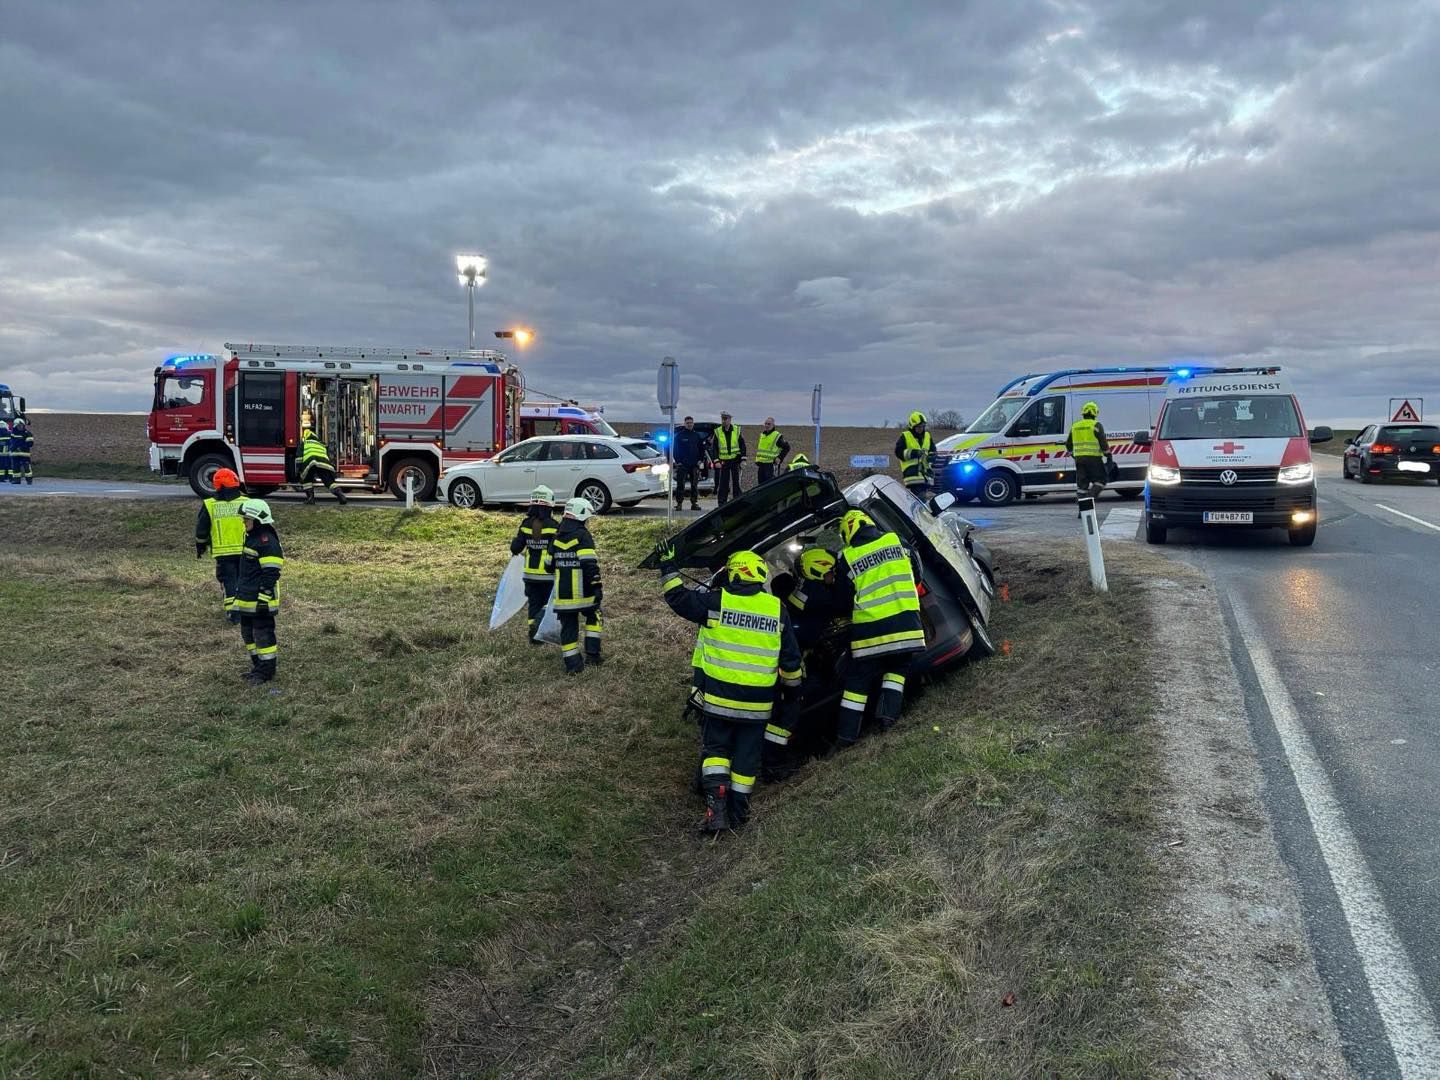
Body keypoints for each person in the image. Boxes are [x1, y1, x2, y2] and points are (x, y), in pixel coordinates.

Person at [659, 546, 802, 831]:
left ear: (734, 573)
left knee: (716, 751)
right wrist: (792, 693)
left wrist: (668, 566)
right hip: (758, 705)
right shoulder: (777, 609)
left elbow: (678, 597)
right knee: (747, 758)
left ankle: (716, 811)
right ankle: (739, 813)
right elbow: (791, 659)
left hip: (720, 700)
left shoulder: (717, 602)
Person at [833, 509, 925, 750]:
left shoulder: (847, 557)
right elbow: (917, 573)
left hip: (869, 633)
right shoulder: (897, 541)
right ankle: (887, 719)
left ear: (847, 533)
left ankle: (846, 737)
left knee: (857, 682)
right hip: (907, 626)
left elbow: (842, 600)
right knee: (897, 670)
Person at [548, 497, 603, 674]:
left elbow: (548, 565)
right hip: (584, 594)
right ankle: (593, 655)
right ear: (581, 516)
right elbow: (589, 564)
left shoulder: (556, 537)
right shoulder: (582, 536)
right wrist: (597, 585)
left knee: (569, 629)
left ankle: (573, 665)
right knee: (594, 616)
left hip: (563, 597)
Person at [233, 499, 284, 685]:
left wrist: (263, 599)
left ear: (257, 519)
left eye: (246, 519)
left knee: (263, 636)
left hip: (260, 601)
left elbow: (271, 572)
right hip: (248, 599)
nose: (244, 522)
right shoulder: (253, 537)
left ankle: (266, 672)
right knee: (248, 634)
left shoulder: (266, 541)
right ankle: (258, 667)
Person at [195, 468, 247, 618]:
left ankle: (233, 613)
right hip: (245, 551)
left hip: (223, 554)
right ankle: (246, 610)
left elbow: (201, 530)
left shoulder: (210, 504)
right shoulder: (246, 502)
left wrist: (200, 546)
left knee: (229, 582)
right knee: (244, 580)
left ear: (217, 485)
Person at [510, 485, 557, 644]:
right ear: (550, 505)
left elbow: (516, 548)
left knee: (534, 604)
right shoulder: (554, 526)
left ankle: (534, 636)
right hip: (548, 574)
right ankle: (540, 626)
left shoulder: (526, 524)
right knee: (547, 604)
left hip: (530, 575)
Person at [1065, 400, 1112, 500]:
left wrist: (1073, 455)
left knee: (1082, 486)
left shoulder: (1075, 426)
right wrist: (1108, 456)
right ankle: (1089, 498)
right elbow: (1103, 443)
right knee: (1101, 480)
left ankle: (1082, 506)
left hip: (1079, 459)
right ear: (1095, 413)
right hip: (1094, 459)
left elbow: (1068, 444)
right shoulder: (1096, 425)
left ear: (1083, 413)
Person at [297, 427, 348, 504]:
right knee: (329, 481)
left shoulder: (304, 443)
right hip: (324, 464)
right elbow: (327, 456)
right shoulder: (321, 444)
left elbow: (299, 458)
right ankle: (341, 496)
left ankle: (310, 499)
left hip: (311, 463)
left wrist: (299, 470)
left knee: (306, 479)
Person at [671, 415, 707, 510]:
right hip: (683, 465)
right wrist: (678, 461)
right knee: (680, 485)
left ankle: (694, 503)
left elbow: (702, 449)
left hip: (694, 465)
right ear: (684, 424)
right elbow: (675, 450)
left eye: (691, 423)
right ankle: (679, 504)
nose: (689, 424)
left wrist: (700, 460)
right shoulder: (679, 436)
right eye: (687, 423)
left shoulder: (697, 436)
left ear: (693, 424)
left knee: (694, 485)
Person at [711, 411, 746, 506]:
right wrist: (716, 461)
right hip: (724, 461)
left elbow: (742, 445)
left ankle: (737, 501)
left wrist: (743, 459)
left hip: (735, 460)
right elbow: (714, 448)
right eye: (722, 419)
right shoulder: (718, 431)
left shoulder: (737, 430)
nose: (723, 421)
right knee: (723, 483)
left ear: (730, 419)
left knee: (736, 482)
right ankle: (722, 503)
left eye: (725, 419)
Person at [895, 411, 934, 495]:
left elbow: (933, 450)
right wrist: (914, 453)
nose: (921, 429)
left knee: (921, 499)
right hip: (913, 475)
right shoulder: (905, 436)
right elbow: (898, 452)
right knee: (920, 497)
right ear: (912, 426)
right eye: (918, 427)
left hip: (926, 475)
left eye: (922, 426)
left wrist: (932, 457)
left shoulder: (927, 436)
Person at [753, 417, 790, 485]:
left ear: (773, 425)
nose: (767, 425)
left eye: (769, 424)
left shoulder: (776, 436)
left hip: (770, 465)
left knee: (769, 485)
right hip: (761, 464)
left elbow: (787, 447)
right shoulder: (762, 435)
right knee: (760, 485)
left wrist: (780, 458)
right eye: (766, 424)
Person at [8, 418, 32, 485]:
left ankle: (29, 480)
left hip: (25, 454)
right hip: (15, 454)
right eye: (18, 425)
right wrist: (12, 449)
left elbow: (30, 443)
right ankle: (16, 480)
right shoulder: (13, 433)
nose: (20, 427)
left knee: (26, 467)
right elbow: (11, 442)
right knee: (16, 467)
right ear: (15, 426)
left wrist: (21, 447)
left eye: (21, 425)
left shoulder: (27, 433)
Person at [0, 420, 10, 485]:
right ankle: (9, 478)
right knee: (8, 465)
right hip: (7, 453)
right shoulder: (9, 433)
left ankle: (1, 478)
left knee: (1, 466)